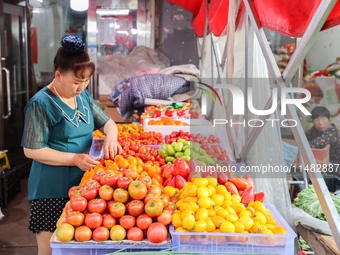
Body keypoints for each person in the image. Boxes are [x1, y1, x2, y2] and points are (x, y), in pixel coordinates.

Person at [21, 35, 122, 255]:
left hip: (83, 186)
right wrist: (74, 158)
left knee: (79, 248)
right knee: (50, 250)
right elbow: (31, 149)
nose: (82, 87)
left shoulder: (83, 97)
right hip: (50, 190)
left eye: (86, 81)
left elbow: (109, 123)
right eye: (77, 82)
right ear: (58, 75)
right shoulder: (41, 104)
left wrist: (111, 137)